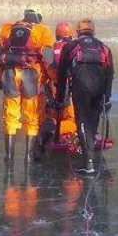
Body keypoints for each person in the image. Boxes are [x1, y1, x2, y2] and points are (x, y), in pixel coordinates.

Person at [0, 6, 54, 167]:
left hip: (10, 75)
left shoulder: (8, 29)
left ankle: (9, 157)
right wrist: (53, 80)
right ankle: (28, 157)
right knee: (32, 117)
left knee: (10, 116)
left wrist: (0, 78)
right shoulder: (42, 31)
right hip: (31, 77)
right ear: (39, 17)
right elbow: (48, 59)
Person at [55, 18, 114, 174]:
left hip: (81, 88)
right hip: (100, 89)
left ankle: (88, 163)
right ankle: (90, 156)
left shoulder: (71, 46)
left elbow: (61, 75)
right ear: (93, 31)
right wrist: (107, 98)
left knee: (82, 122)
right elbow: (110, 74)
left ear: (78, 32)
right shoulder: (104, 47)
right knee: (92, 123)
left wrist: (60, 98)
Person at [43, 21, 78, 149]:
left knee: (50, 117)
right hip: (68, 95)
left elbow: (44, 73)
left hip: (52, 94)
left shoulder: (48, 50)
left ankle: (50, 130)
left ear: (56, 35)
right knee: (73, 120)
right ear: (71, 35)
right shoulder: (75, 49)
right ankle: (65, 132)